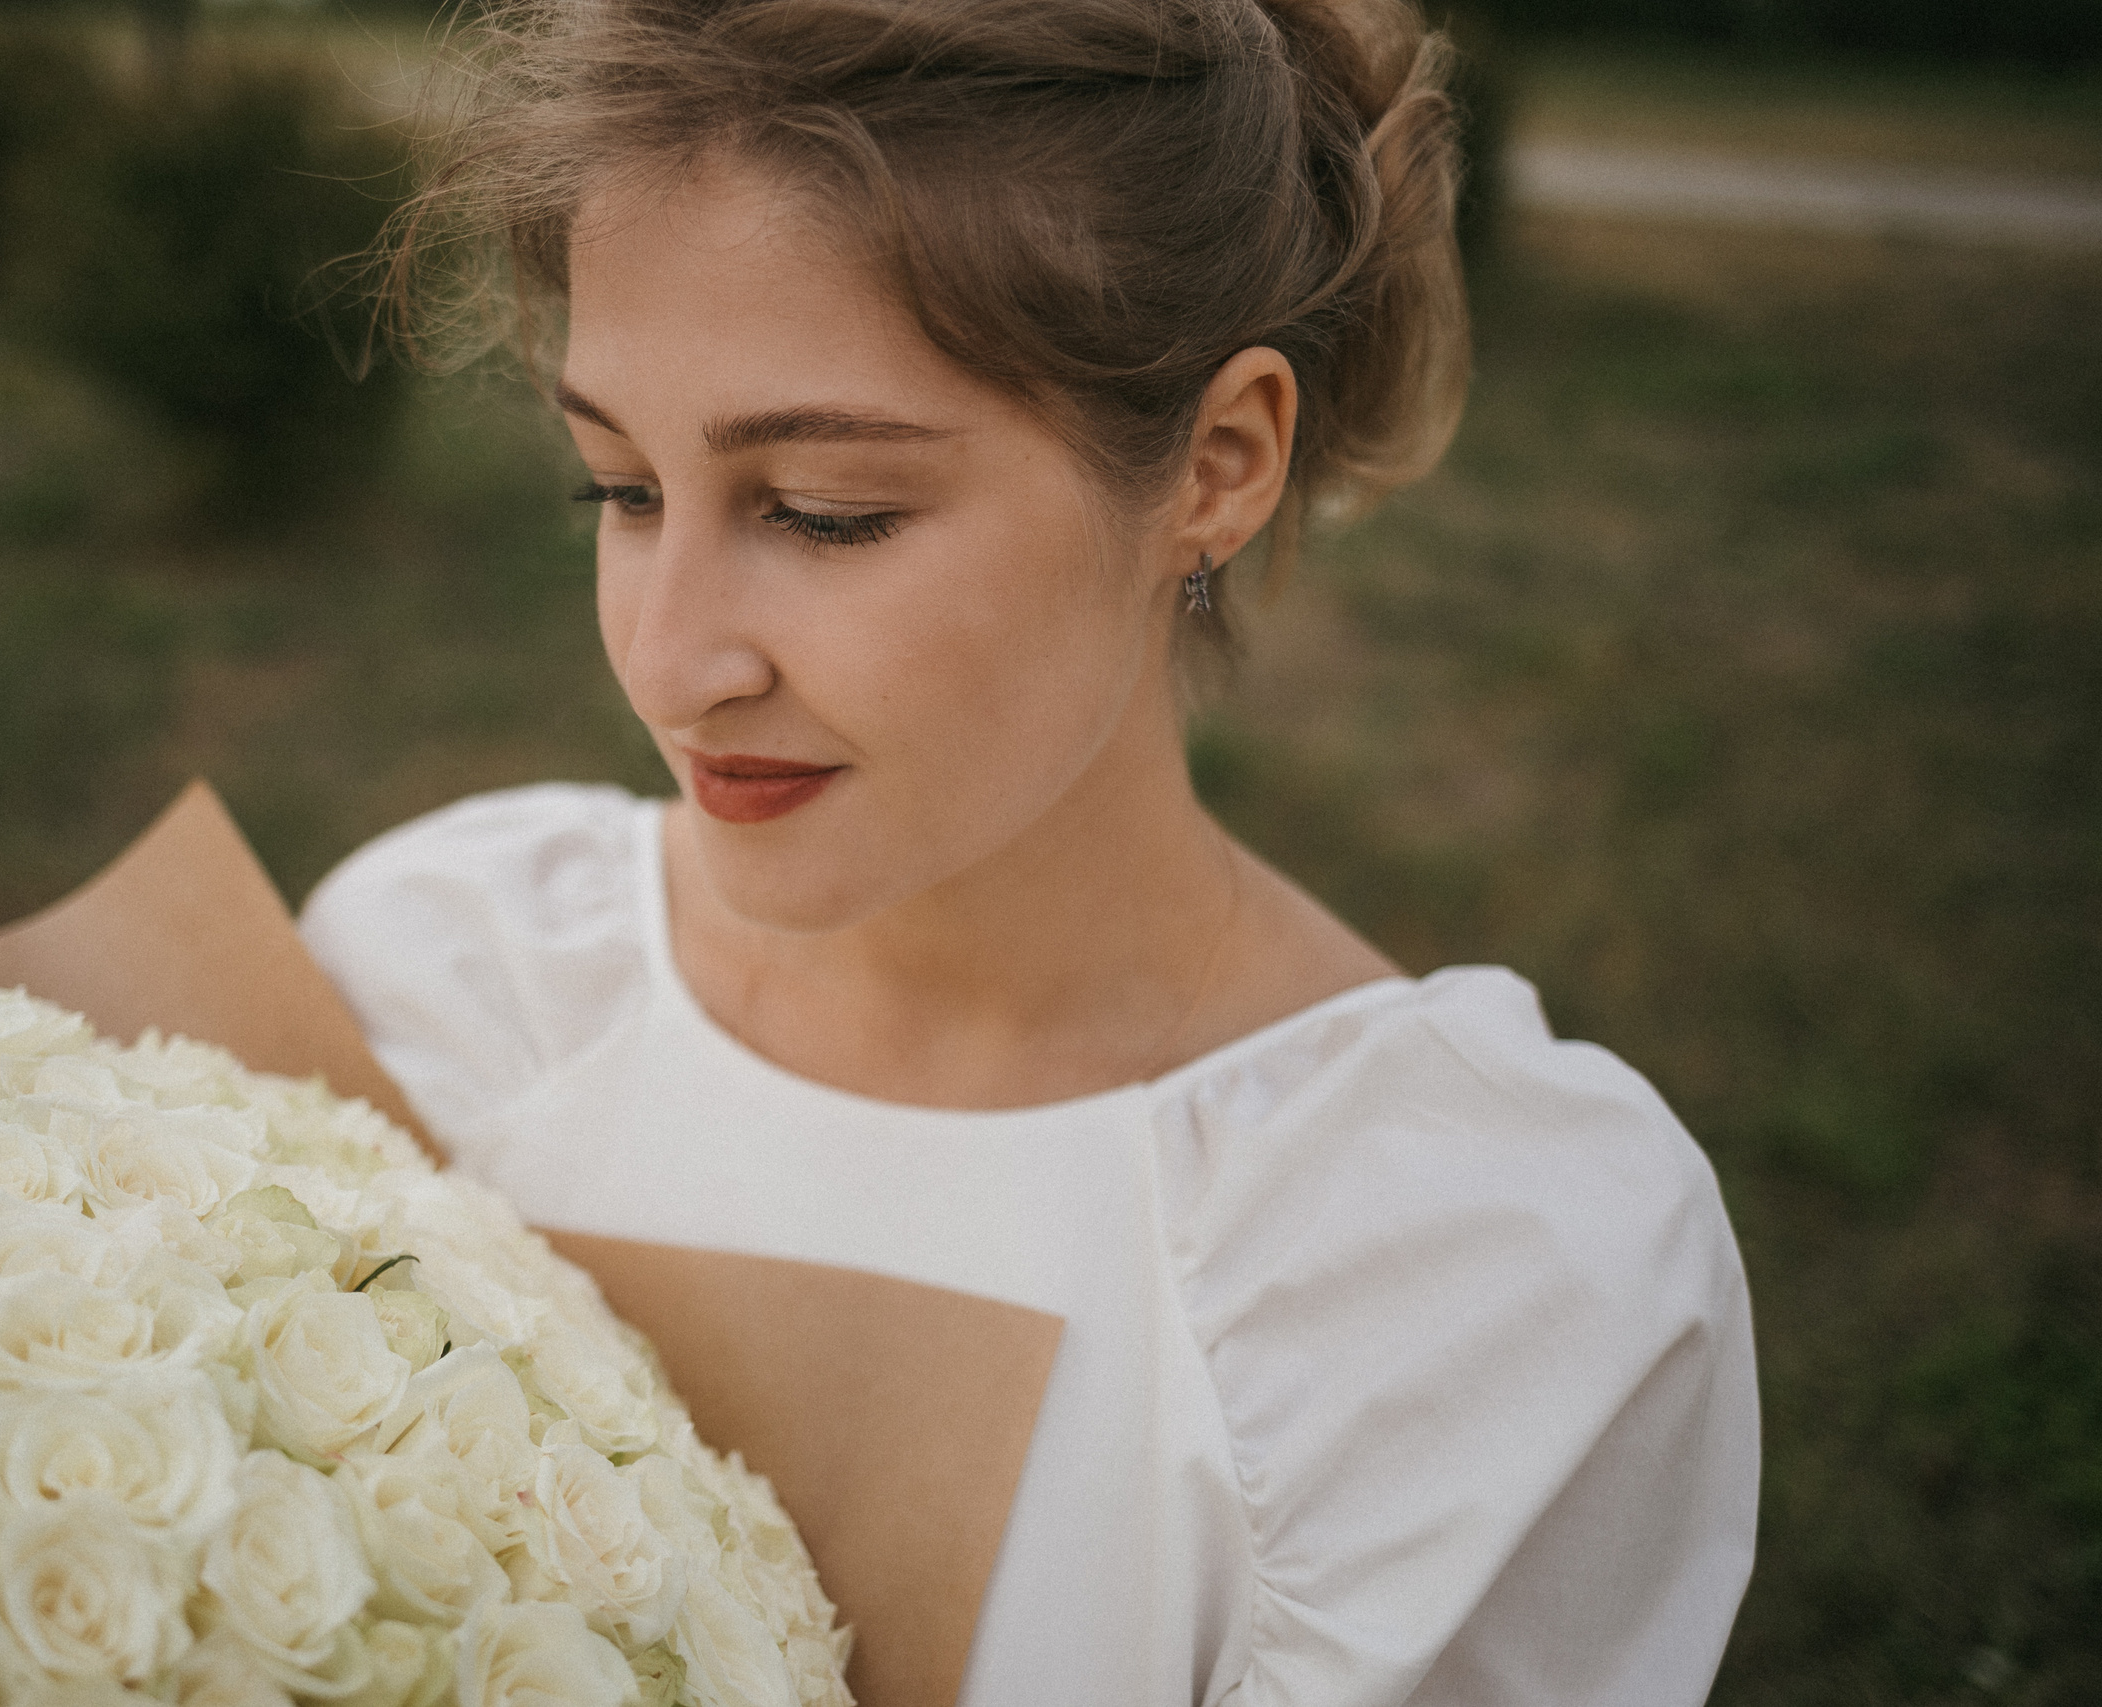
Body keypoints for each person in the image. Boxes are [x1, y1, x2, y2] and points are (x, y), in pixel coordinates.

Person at [300, 0, 1760, 1700]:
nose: (673, 658)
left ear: (1218, 467)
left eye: (827, 510)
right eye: (617, 487)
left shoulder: (1461, 1287)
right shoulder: (451, 989)